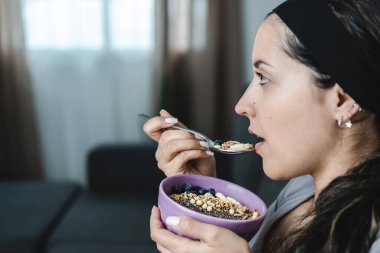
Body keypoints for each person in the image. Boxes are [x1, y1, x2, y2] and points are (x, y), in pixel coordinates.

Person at [143, 0, 380, 252]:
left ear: (343, 101)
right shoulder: (303, 190)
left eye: (264, 78)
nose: (241, 106)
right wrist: (204, 198)